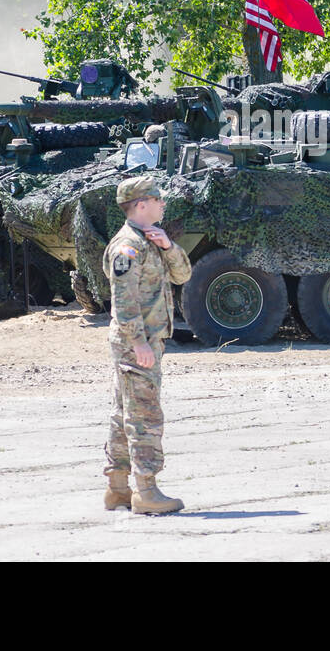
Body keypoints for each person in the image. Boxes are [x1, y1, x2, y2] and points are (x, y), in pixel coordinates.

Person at [102, 175, 193, 514]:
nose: (162, 204)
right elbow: (123, 302)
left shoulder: (151, 240)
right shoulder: (128, 247)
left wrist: (169, 246)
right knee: (144, 415)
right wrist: (139, 343)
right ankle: (146, 491)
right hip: (137, 343)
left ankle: (117, 488)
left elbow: (183, 275)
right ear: (142, 204)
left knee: (124, 414)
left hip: (142, 341)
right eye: (157, 199)